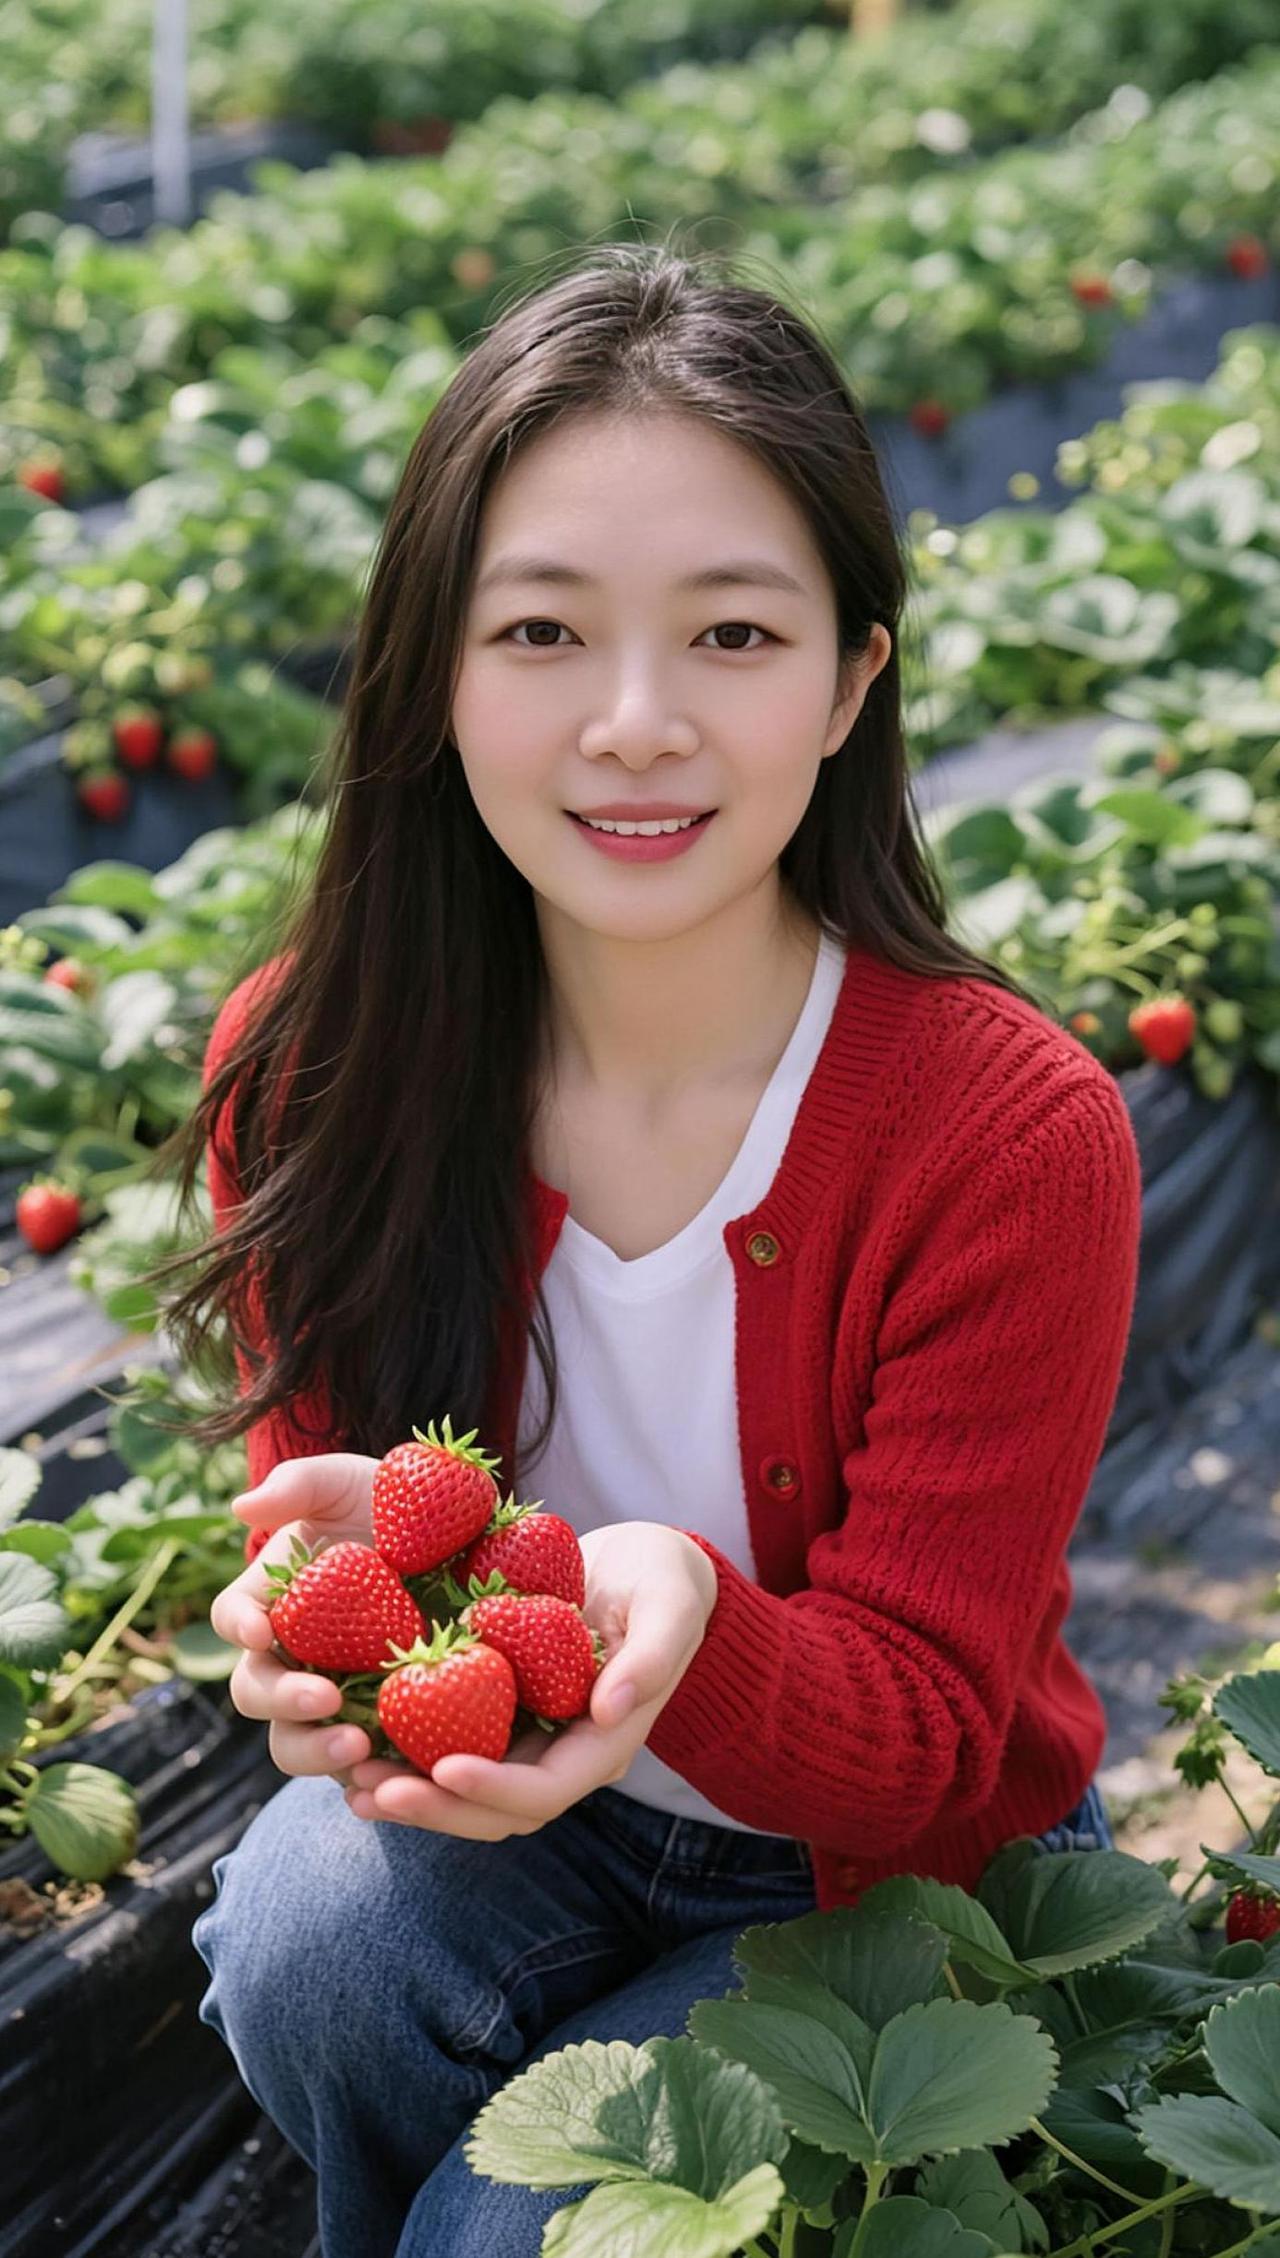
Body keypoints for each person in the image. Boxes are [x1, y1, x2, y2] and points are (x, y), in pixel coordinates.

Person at [153, 239, 1141, 2258]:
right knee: (300, 1939)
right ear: (428, 668)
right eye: (537, 631)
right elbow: (335, 1527)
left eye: (730, 636)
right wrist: (314, 1618)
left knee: (509, 2234)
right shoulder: (314, 1065)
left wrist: (675, 1604)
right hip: (539, 1818)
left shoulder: (1007, 1130)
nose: (632, 723)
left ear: (855, 674)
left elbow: (942, 1733)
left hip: (897, 1877)